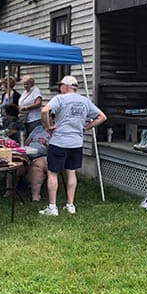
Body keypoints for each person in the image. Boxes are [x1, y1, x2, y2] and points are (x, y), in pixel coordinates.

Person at [39, 75, 107, 216]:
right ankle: (70, 205)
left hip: (59, 141)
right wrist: (87, 127)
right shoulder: (85, 101)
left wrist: (47, 127)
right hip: (76, 142)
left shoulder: (60, 98)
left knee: (53, 173)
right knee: (71, 172)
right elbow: (102, 117)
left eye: (61, 86)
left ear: (65, 86)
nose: (59, 88)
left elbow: (45, 110)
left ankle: (52, 207)